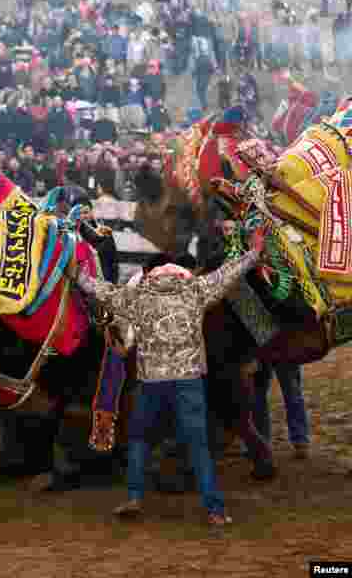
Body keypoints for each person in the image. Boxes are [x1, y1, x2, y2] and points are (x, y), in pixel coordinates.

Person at [71, 224, 268, 526]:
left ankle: (135, 496)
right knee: (198, 445)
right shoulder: (195, 290)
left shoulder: (137, 296)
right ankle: (214, 510)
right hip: (188, 381)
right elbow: (229, 273)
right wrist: (255, 251)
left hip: (151, 383)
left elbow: (100, 289)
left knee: (138, 440)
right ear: (181, 275)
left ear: (152, 276)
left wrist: (76, 274)